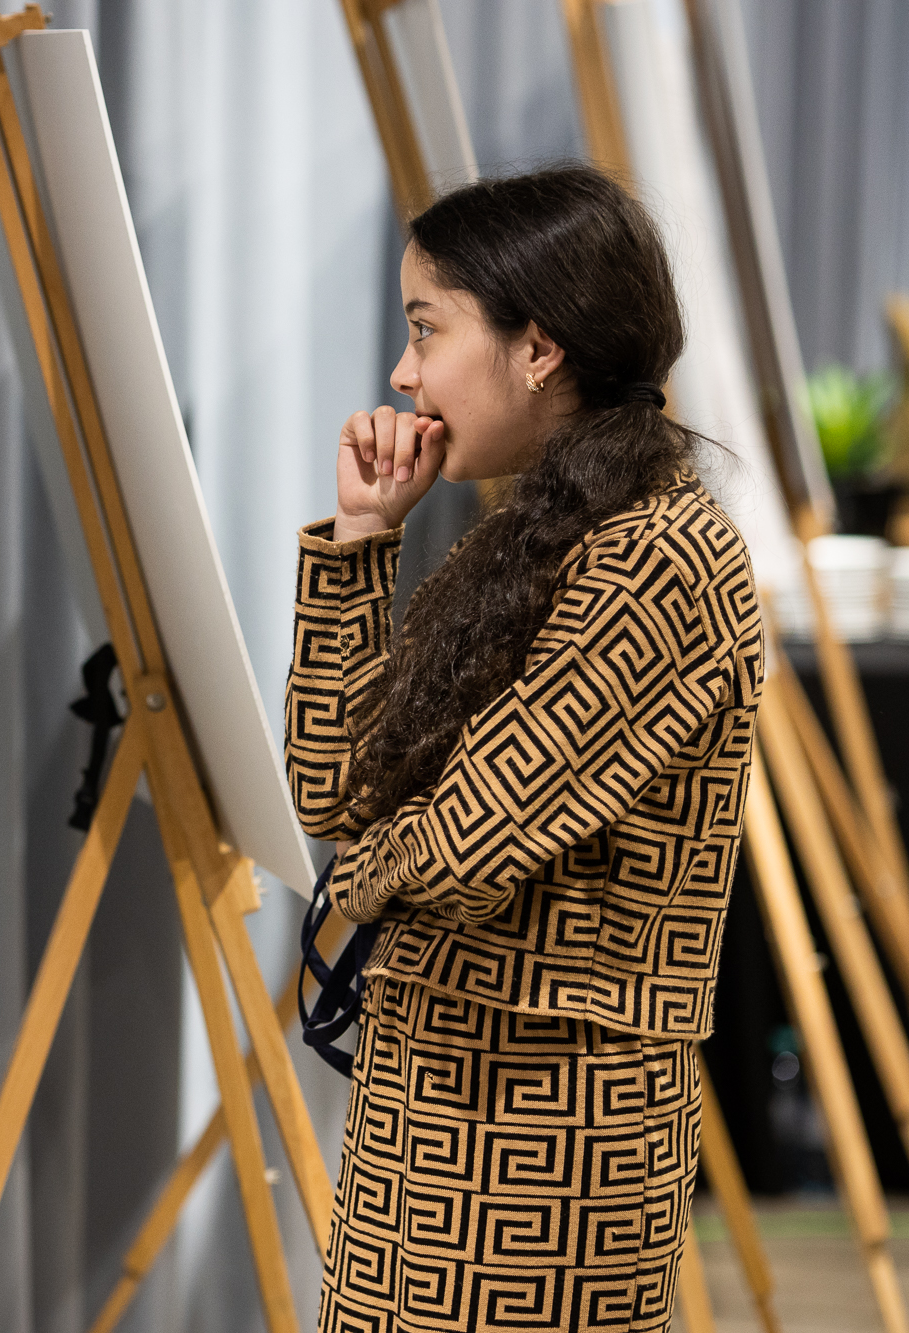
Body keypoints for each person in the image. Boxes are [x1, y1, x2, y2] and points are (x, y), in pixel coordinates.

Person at [285, 164, 762, 1333]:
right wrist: (356, 539)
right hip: (439, 1111)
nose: (401, 373)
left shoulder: (658, 560)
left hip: (547, 1132)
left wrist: (359, 871)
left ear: (536, 348)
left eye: (425, 328)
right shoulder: (534, 541)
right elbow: (329, 785)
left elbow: (457, 845)